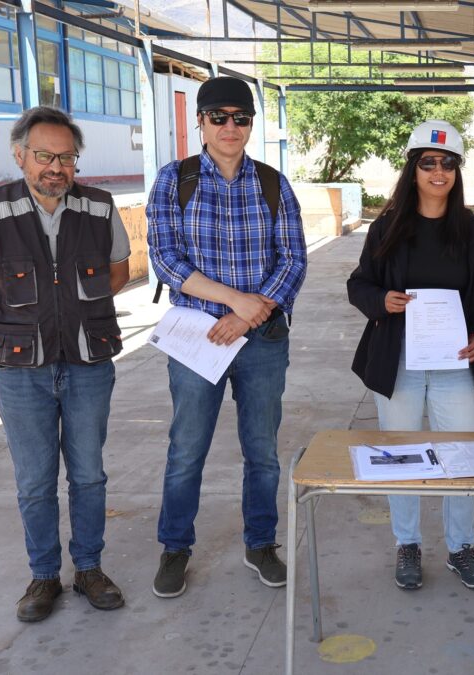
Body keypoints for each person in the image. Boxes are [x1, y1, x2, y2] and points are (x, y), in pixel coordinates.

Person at [0, 106, 130, 622]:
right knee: (35, 480)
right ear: (20, 155)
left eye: (67, 157)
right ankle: (44, 576)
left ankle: (89, 568)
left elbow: (118, 271)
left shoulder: (99, 207)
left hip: (89, 362)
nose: (56, 167)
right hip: (20, 370)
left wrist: (78, 313)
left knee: (90, 475)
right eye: (45, 155)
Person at [146, 76, 307, 597]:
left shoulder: (273, 184)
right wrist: (233, 300)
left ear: (251, 125)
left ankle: (261, 543)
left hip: (261, 341)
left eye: (241, 117)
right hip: (197, 337)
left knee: (261, 450)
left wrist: (248, 315)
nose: (230, 127)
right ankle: (175, 548)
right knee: (186, 448)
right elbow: (166, 259)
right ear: (201, 122)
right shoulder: (174, 180)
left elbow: (294, 259)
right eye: (219, 117)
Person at [348, 120, 474, 591]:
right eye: (428, 163)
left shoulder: (473, 231)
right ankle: (408, 544)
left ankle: (460, 547)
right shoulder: (388, 228)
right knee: (402, 456)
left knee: (461, 456)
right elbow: (359, 284)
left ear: (457, 171)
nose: (439, 172)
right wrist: (382, 301)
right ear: (413, 169)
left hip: (454, 363)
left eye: (448, 164)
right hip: (400, 364)